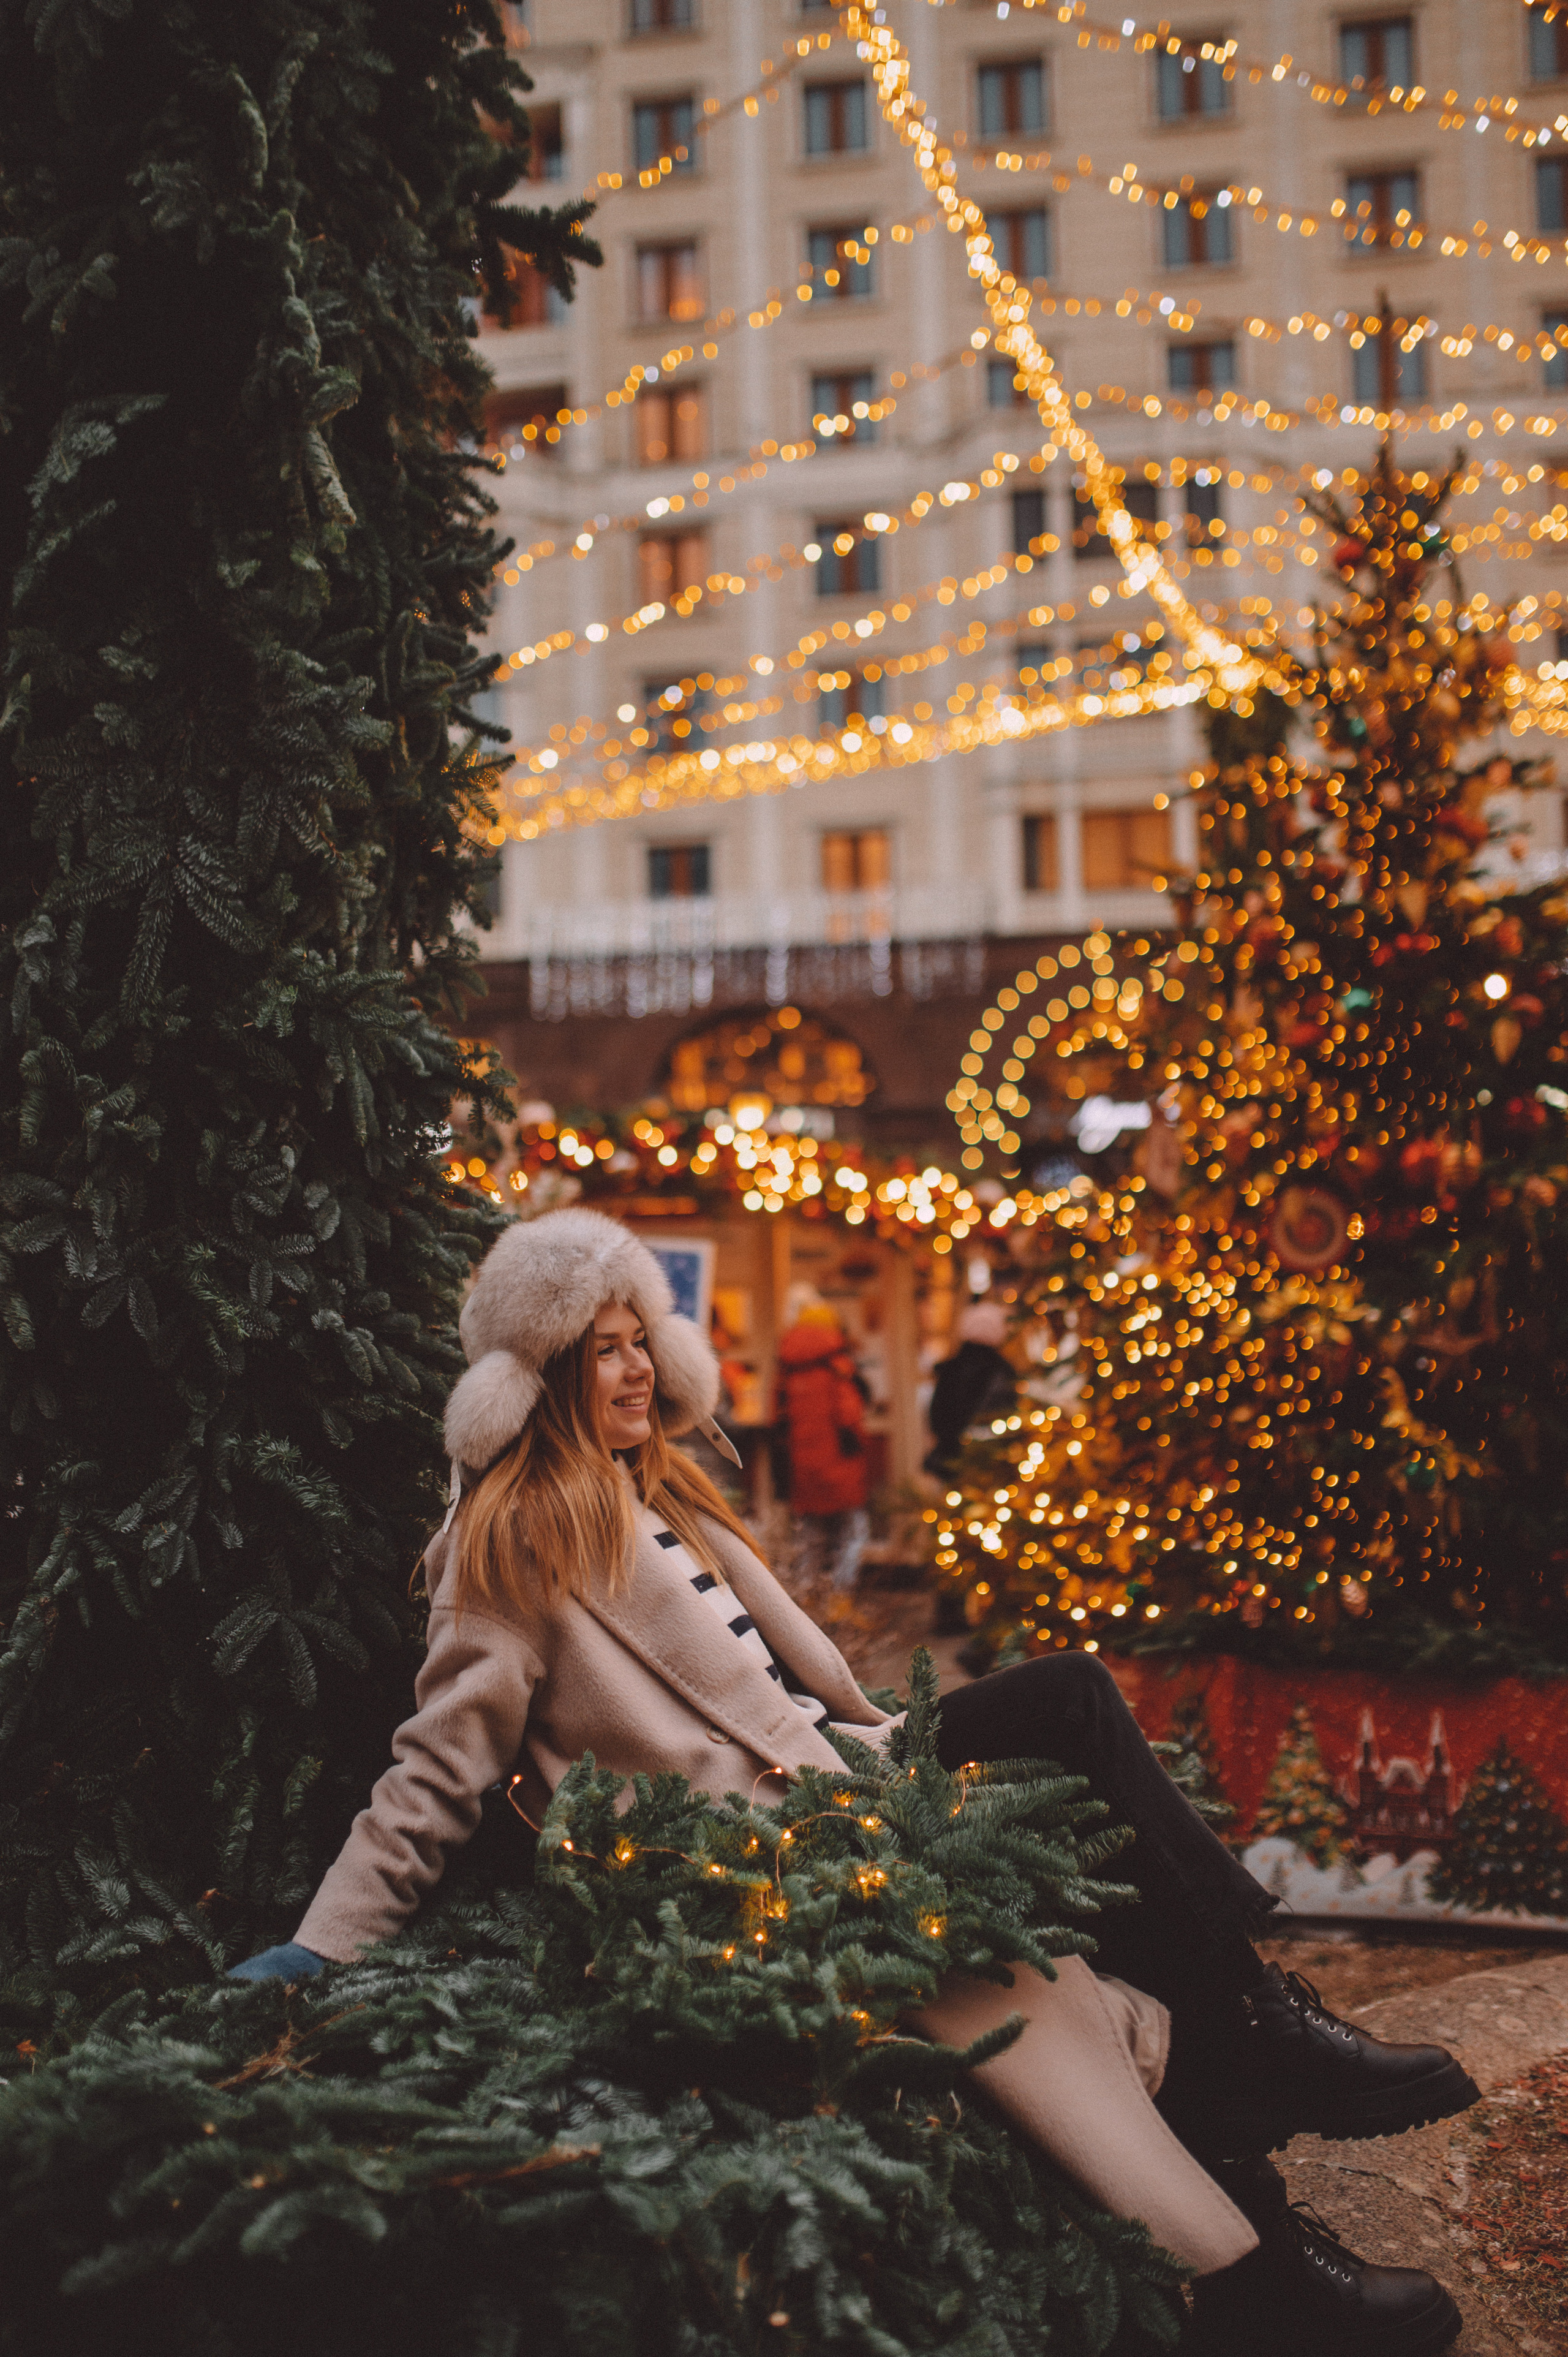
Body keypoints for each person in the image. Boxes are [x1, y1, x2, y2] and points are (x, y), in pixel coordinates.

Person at [236, 1209, 1474, 2355]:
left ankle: (1250, 2051)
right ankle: (1246, 2251)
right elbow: (435, 1772)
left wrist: (869, 1737)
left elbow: (795, 1688)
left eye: (635, 1341)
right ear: (538, 1377)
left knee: (1071, 1715)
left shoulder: (664, 1490)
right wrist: (314, 1951)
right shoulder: (507, 1542)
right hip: (756, 1849)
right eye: (594, 1351)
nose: (628, 1369)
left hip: (843, 1767)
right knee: (1038, 1915)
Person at [773, 1298, 870, 1591]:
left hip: (800, 1467)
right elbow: (850, 1417)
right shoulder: (839, 1368)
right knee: (853, 1533)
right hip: (839, 1464)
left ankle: (806, 1594)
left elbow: (776, 1418)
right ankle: (840, 1597)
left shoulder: (786, 1371)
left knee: (809, 1536)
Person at [923, 1296, 1017, 1475]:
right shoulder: (1002, 1372)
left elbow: (936, 1415)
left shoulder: (951, 1368)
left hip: (951, 1458)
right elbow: (1007, 1415)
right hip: (988, 1460)